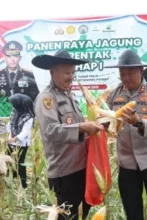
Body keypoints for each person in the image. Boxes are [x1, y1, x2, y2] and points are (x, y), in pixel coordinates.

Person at [31, 50, 103, 220]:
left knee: (81, 213)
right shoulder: (46, 99)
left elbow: (77, 124)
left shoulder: (70, 95)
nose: (70, 77)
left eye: (72, 73)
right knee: (67, 217)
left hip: (82, 167)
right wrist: (83, 127)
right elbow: (51, 131)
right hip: (65, 172)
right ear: (52, 72)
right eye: (66, 73)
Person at [105, 49, 147, 220]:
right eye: (122, 73)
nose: (126, 78)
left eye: (130, 73)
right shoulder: (113, 95)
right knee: (132, 211)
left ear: (141, 71)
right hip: (126, 163)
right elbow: (106, 119)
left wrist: (139, 122)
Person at [6, 93, 35, 189]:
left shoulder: (28, 117)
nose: (13, 106)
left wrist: (14, 138)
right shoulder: (15, 112)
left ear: (20, 104)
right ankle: (9, 180)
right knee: (8, 160)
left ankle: (23, 184)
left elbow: (25, 132)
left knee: (20, 162)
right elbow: (10, 126)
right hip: (12, 141)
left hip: (22, 143)